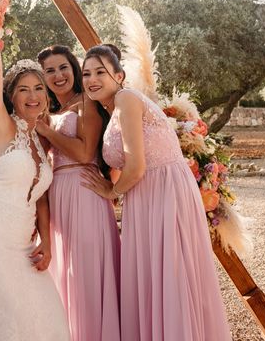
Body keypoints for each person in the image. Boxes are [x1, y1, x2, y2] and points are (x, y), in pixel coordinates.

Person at [80, 45, 231, 341]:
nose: (91, 79)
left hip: (162, 192)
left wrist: (112, 192)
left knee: (170, 276)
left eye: (100, 72)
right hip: (148, 195)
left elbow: (135, 166)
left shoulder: (125, 98)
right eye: (86, 74)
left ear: (119, 76)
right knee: (157, 277)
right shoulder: (114, 109)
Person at [0, 2, 70, 340]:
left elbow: (40, 197)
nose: (33, 95)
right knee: (12, 328)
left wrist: (48, 243)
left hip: (23, 247)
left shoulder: (38, 140)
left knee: (50, 322)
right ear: (11, 95)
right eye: (24, 89)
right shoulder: (0, 126)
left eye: (39, 88)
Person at [36, 45, 120, 341]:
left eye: (63, 67)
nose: (58, 75)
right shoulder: (51, 112)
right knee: (65, 273)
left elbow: (85, 152)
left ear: (73, 69)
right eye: (49, 70)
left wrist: (48, 133)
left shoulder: (87, 101)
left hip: (84, 191)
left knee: (85, 273)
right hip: (58, 192)